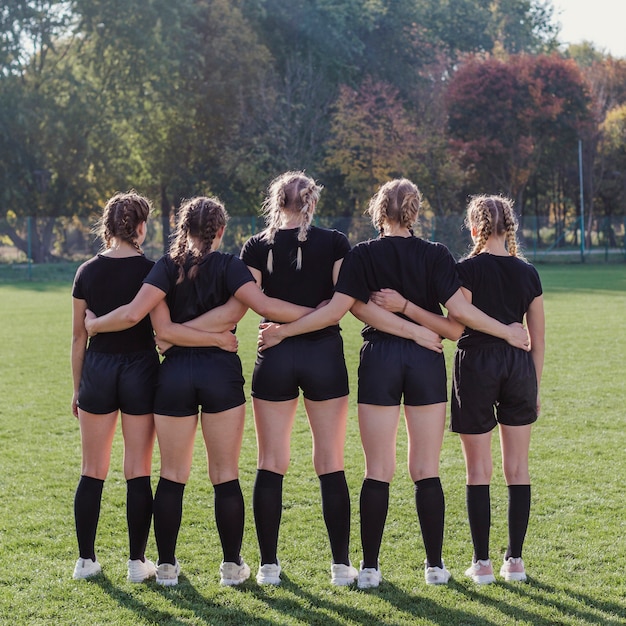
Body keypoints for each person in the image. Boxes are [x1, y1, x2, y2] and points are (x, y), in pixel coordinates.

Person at [258, 179, 530, 588]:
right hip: (425, 361)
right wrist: (420, 327)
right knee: (426, 468)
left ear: (376, 211)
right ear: (415, 213)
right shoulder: (436, 254)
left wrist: (401, 317)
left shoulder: (362, 254)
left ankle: (368, 568)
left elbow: (352, 309)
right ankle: (435, 567)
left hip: (379, 361)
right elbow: (456, 325)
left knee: (377, 469)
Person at [84, 196, 315, 587]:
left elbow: (165, 333)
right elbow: (261, 306)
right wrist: (319, 312)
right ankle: (230, 568)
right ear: (220, 230)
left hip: (172, 378)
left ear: (182, 228)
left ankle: (168, 568)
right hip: (220, 375)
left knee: (172, 475)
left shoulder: (163, 267)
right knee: (225, 475)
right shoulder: (231, 266)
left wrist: (180, 339)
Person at [239, 171, 361, 586]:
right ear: (311, 202)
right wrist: (312, 316)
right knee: (330, 461)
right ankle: (342, 567)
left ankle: (268, 567)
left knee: (270, 462)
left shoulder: (257, 245)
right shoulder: (335, 242)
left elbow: (260, 303)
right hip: (323, 354)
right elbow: (337, 308)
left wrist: (283, 328)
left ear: (277, 202)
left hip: (274, 353)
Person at [450, 195, 544, 584]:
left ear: (475, 229)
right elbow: (537, 339)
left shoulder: (466, 270)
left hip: (476, 364)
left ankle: (483, 564)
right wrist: (533, 385)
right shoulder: (528, 272)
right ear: (511, 229)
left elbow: (460, 320)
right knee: (517, 468)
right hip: (519, 367)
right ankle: (515, 562)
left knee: (478, 470)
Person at [71, 191, 159, 582]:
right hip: (141, 368)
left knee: (92, 469)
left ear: (107, 227)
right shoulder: (155, 270)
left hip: (98, 369)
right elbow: (160, 330)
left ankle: (85, 562)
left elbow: (78, 339)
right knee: (138, 469)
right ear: (141, 227)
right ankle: (137, 564)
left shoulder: (86, 271)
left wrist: (77, 388)